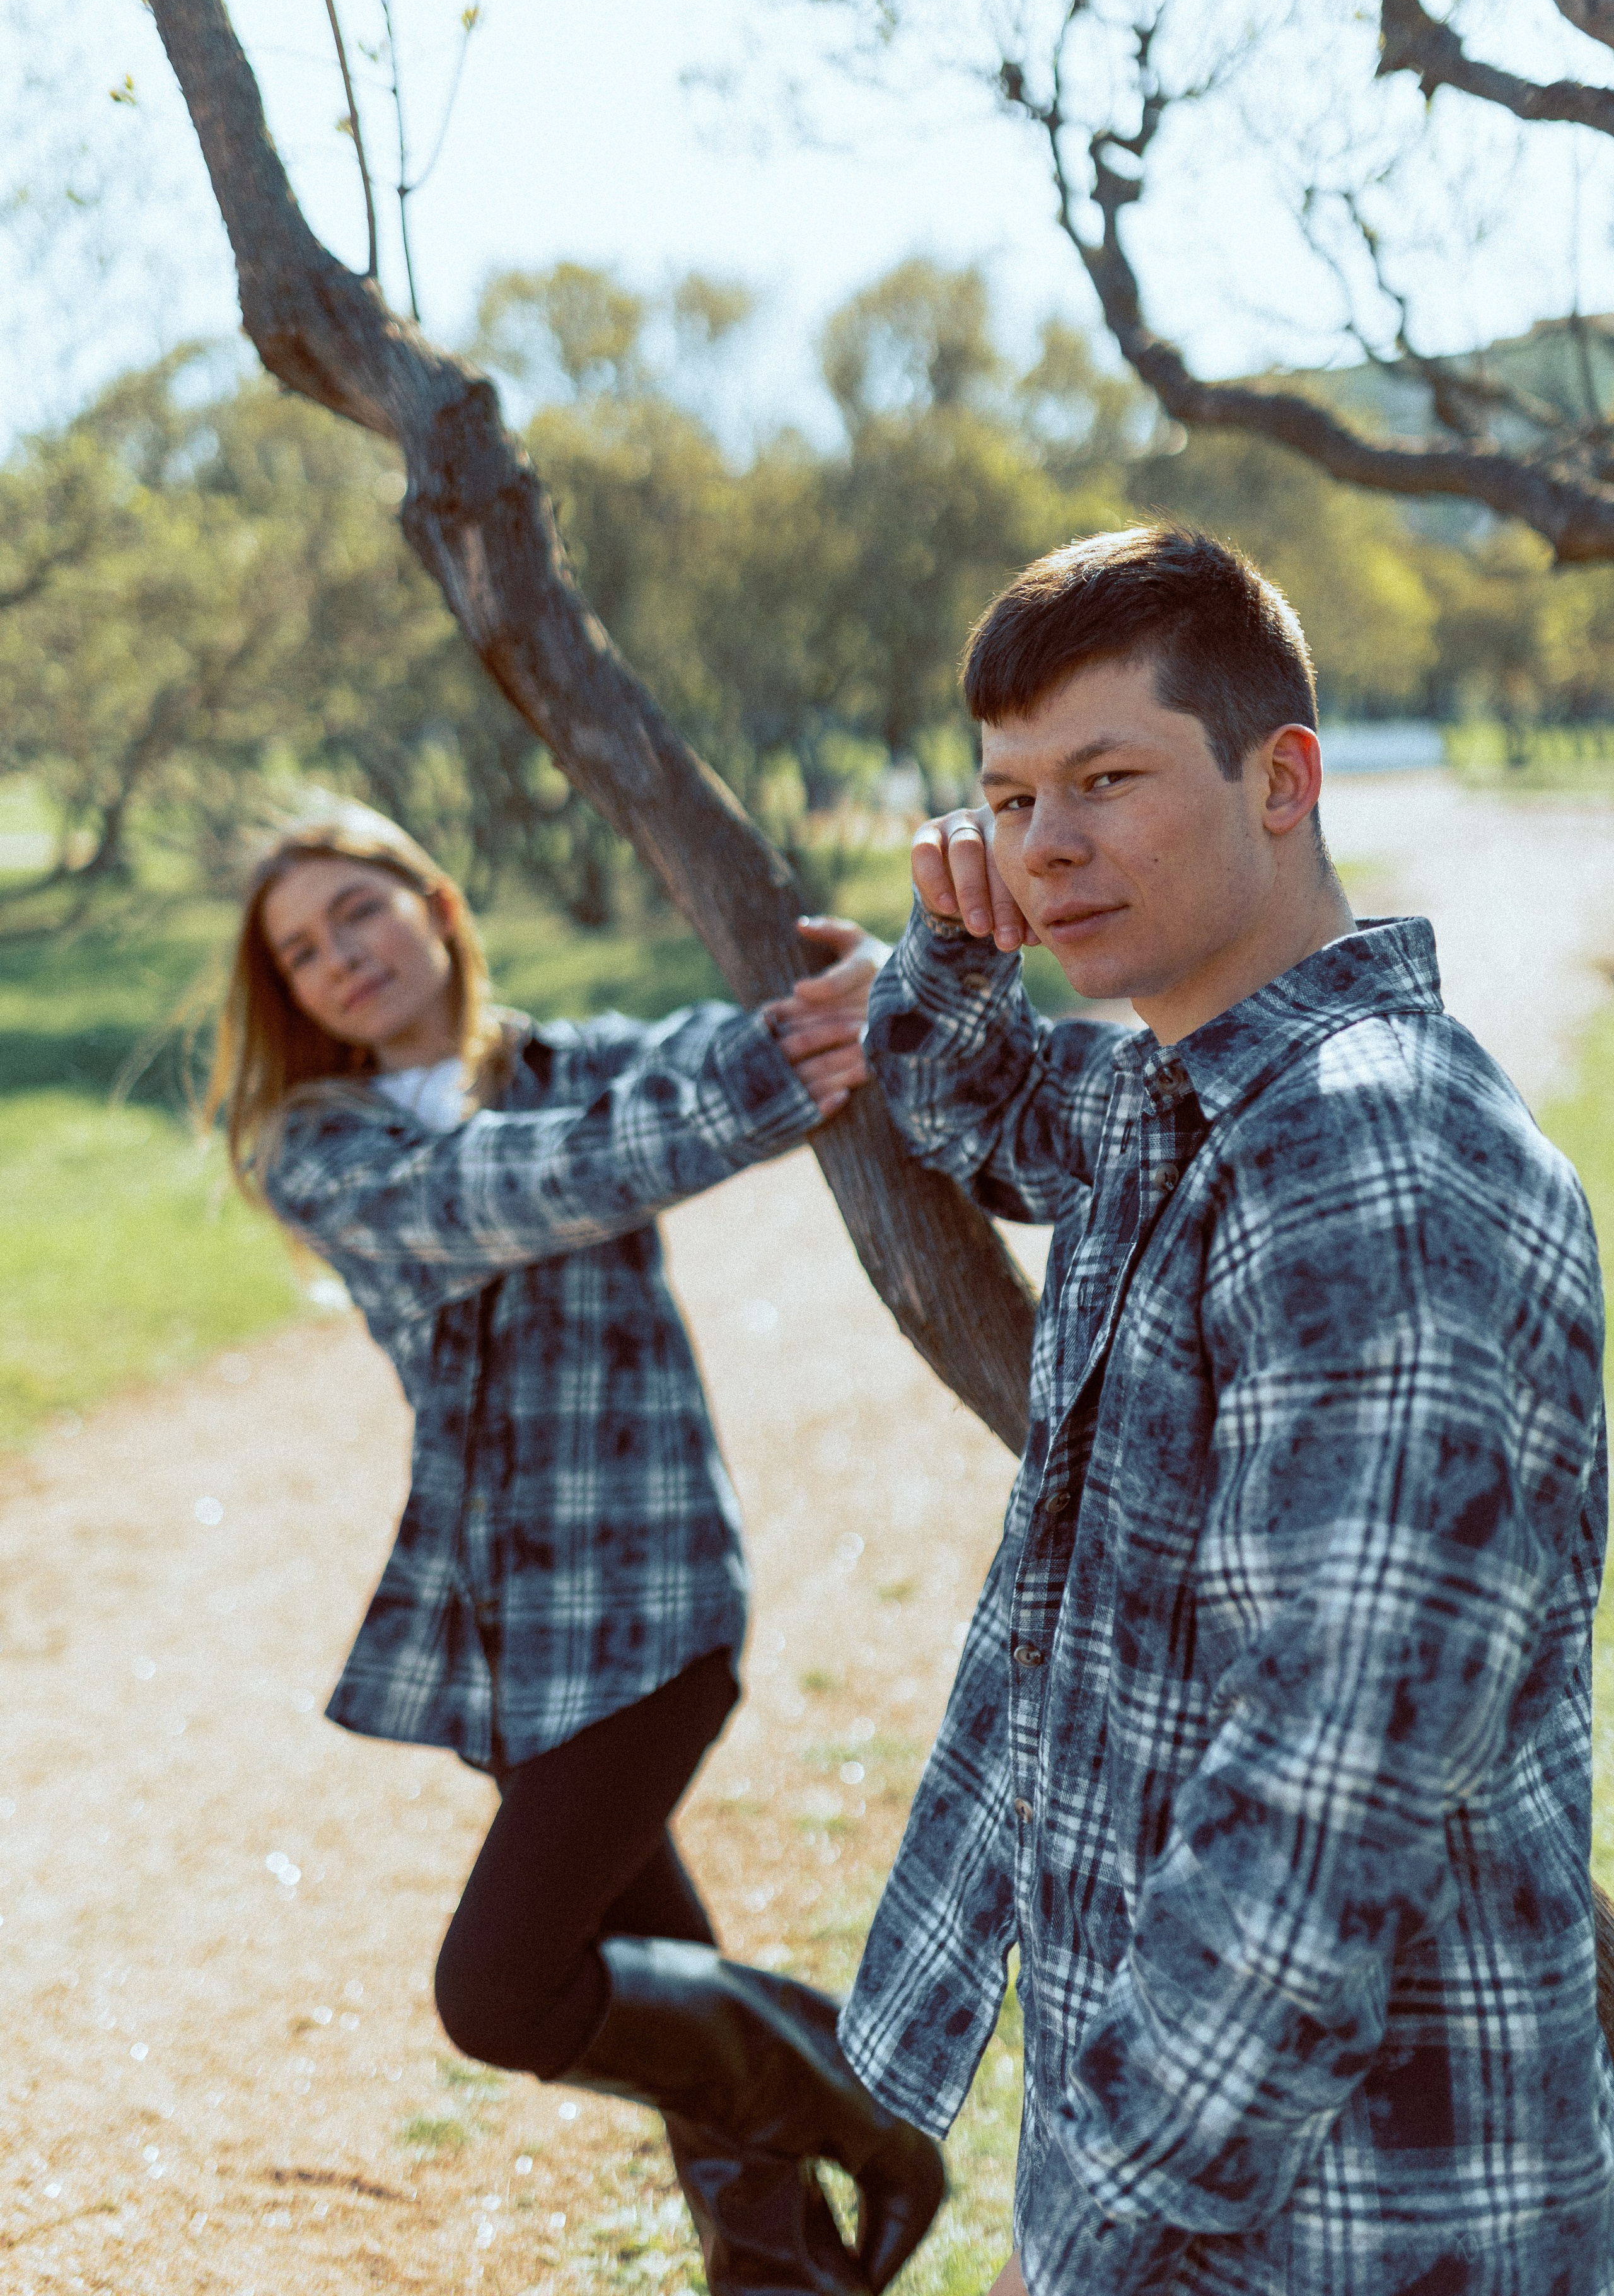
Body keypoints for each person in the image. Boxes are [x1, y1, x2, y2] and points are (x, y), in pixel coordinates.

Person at [835, 526, 1614, 2293]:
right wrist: (954, 943)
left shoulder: (1371, 1163)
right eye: (1009, 797)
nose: (1049, 845)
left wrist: (1115, 2200)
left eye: (1107, 779)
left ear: (1285, 780)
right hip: (1215, 2181)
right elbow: (963, 1096)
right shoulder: (1180, 1102)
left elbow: (1329, 1795)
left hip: (1336, 2223)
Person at [206, 800, 945, 2296]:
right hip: (499, 1638)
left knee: (500, 1990)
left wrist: (871, 994)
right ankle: (779, 2270)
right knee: (652, 1987)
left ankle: (869, 2117)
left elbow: (739, 1046)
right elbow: (515, 1188)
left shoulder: (581, 1067)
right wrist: (757, 1080)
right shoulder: (318, 1148)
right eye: (299, 951)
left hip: (656, 1614)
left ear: (434, 907)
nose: (336, 956)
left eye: (357, 911)